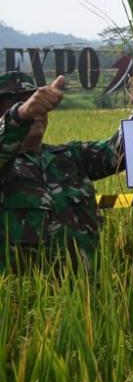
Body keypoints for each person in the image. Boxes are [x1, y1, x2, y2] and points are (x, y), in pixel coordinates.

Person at [0, 72, 125, 272]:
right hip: (27, 299)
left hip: (85, 296)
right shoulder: (6, 166)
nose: (36, 110)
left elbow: (124, 149)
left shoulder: (71, 156)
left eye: (38, 102)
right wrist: (20, 115)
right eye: (19, 102)